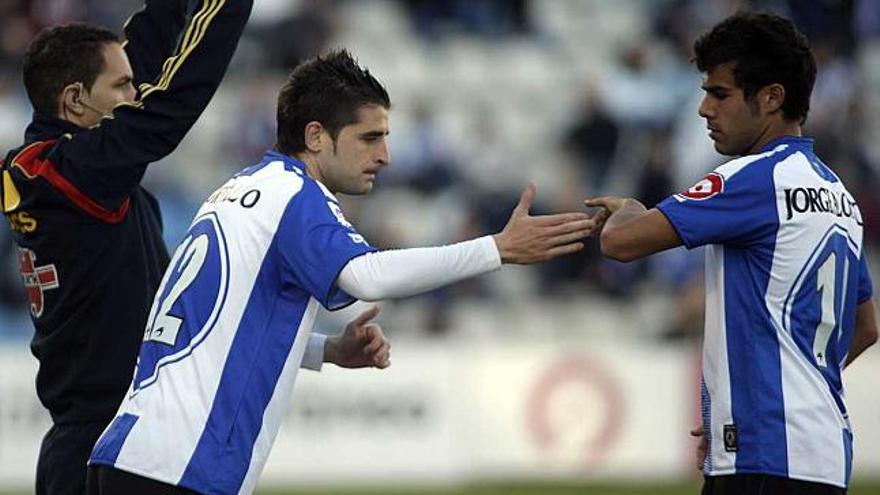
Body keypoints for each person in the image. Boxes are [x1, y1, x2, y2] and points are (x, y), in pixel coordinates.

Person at [86, 48, 600, 494]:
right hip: (182, 467)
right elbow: (367, 278)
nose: (386, 155)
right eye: (369, 137)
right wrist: (497, 249)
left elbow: (220, 324)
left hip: (133, 452)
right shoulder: (293, 194)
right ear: (316, 136)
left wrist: (326, 351)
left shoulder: (234, 193)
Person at [0, 2, 375, 494]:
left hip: (108, 442)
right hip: (103, 443)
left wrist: (323, 350)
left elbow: (170, 323)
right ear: (74, 101)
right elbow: (166, 106)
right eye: (122, 87)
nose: (135, 94)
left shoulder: (77, 178)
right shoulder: (71, 174)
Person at [586, 11, 877, 495]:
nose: (704, 109)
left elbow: (620, 243)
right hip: (824, 454)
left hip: (765, 459)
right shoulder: (840, 196)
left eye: (719, 93)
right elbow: (866, 328)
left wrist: (630, 210)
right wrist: (792, 394)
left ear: (771, 98)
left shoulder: (752, 179)